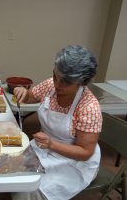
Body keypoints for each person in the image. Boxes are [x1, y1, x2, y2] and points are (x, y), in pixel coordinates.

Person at [12, 45, 102, 200]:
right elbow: (30, 96)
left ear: (82, 82)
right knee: (15, 169)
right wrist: (23, 92)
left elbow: (85, 152)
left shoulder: (89, 107)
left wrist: (52, 144)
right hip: (44, 147)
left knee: (35, 188)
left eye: (65, 82)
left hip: (74, 161)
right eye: (55, 76)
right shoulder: (50, 86)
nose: (57, 84)